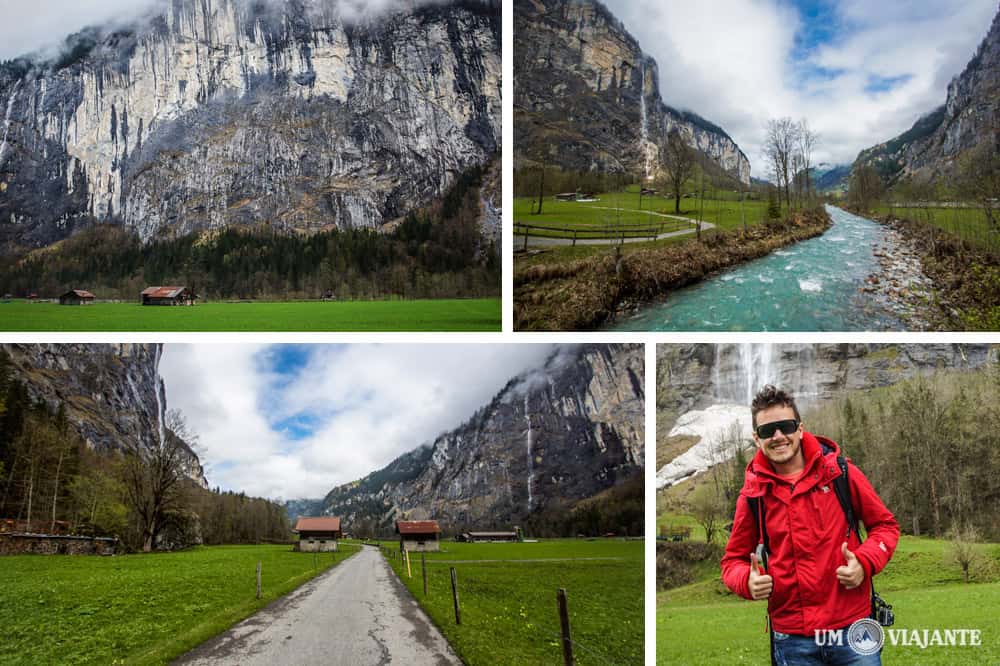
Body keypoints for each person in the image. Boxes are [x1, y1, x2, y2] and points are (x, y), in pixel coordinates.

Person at [721, 385, 900, 665]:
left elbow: (885, 527)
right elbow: (732, 561)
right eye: (768, 431)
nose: (778, 436)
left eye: (786, 426)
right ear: (757, 439)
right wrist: (746, 580)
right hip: (792, 640)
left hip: (853, 629)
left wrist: (864, 563)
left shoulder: (841, 473)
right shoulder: (753, 495)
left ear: (800, 429)